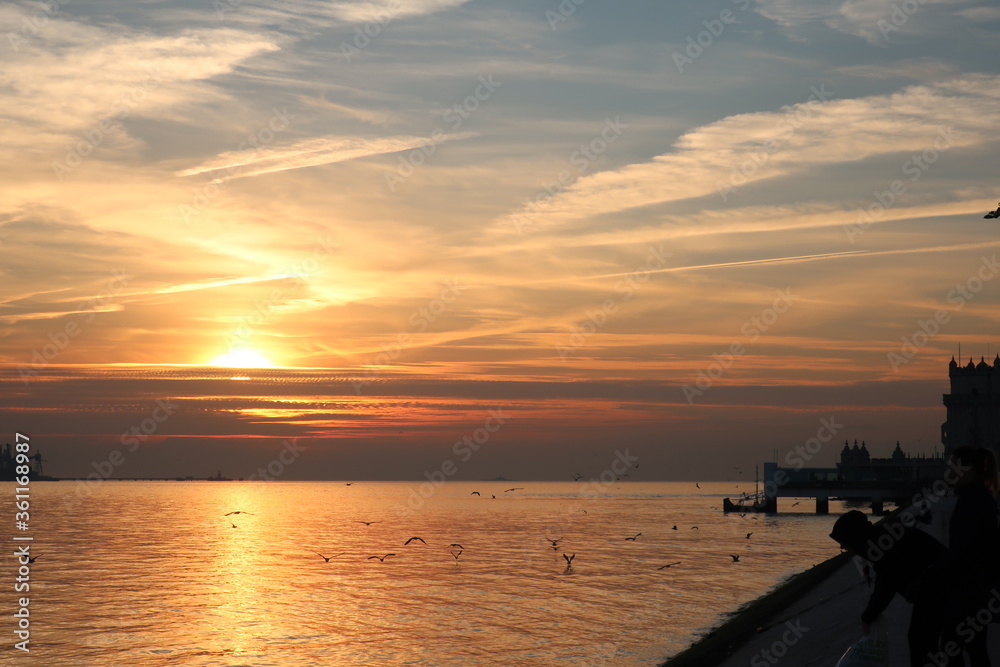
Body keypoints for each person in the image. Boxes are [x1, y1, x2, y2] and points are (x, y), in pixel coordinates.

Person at [829, 510, 948, 667]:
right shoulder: (879, 539)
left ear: (854, 537)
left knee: (922, 639)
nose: (842, 547)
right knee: (924, 639)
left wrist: (868, 616)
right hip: (937, 587)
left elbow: (886, 585)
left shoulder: (880, 545)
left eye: (843, 542)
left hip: (943, 586)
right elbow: (886, 580)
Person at [937, 446, 1000, 667]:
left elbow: (965, 548)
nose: (950, 472)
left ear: (969, 468)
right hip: (975, 589)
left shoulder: (973, 500)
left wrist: (935, 570)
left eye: (954, 466)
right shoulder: (978, 497)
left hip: (968, 590)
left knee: (951, 647)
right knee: (974, 648)